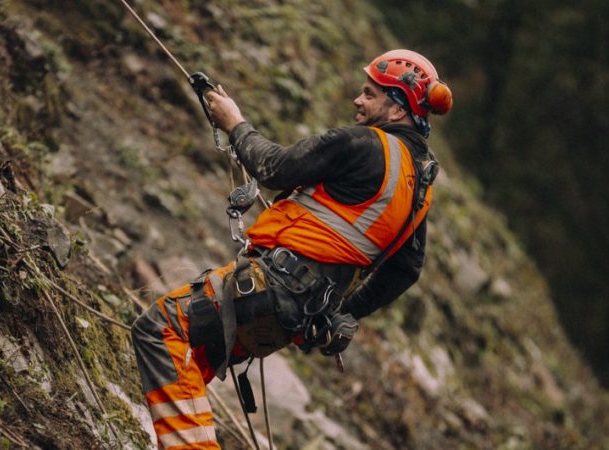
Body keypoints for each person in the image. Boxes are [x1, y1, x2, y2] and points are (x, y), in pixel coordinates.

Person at [131, 49, 452, 449]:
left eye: (369, 94)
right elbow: (406, 270)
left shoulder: (364, 145)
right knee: (191, 361)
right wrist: (341, 312)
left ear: (397, 109)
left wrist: (235, 124)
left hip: (270, 289)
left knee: (159, 329)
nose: (358, 100)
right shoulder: (417, 187)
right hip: (295, 316)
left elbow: (274, 169)